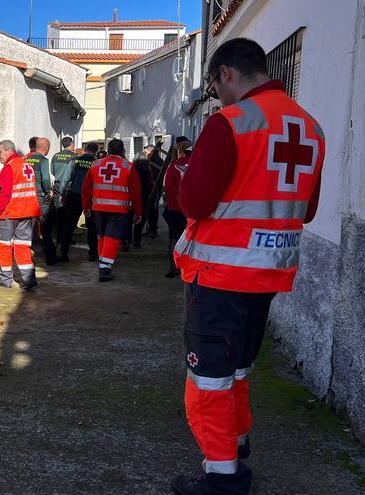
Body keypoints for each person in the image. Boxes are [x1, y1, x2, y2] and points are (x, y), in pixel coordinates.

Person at [171, 38, 325, 495]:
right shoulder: (310, 128)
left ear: (227, 74)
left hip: (220, 274)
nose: (217, 97)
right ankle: (236, 445)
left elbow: (194, 202)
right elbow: (309, 208)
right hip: (268, 274)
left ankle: (223, 478)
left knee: (208, 380)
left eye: (216, 87)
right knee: (237, 369)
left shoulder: (230, 124)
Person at [81, 139, 142, 282]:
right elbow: (136, 192)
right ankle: (104, 269)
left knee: (102, 237)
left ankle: (103, 262)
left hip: (98, 208)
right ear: (122, 151)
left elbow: (86, 188)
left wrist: (86, 207)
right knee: (112, 238)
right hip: (118, 209)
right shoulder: (128, 166)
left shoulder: (95, 164)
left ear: (108, 150)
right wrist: (138, 212)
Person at [0, 139, 42, 289]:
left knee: (3, 246)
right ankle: (29, 279)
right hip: (27, 213)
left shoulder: (9, 168)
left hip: (10, 213)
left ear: (8, 151)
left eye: (0, 152)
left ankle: (5, 280)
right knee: (23, 246)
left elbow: (5, 195)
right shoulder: (26, 165)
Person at [162, 138, 191, 278]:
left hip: (175, 208)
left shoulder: (173, 166)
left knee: (174, 238)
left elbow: (167, 188)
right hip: (192, 209)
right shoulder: (197, 164)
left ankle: (172, 267)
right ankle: (188, 267)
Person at [66, 142, 99, 262]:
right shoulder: (97, 163)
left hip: (75, 195)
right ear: (96, 151)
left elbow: (66, 179)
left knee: (70, 225)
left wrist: (62, 193)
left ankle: (64, 252)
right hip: (91, 198)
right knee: (92, 227)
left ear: (85, 150)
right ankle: (93, 254)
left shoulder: (75, 161)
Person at [25, 137, 55, 264]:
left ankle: (25, 257)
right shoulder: (43, 160)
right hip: (41, 198)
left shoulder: (25, 159)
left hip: (27, 196)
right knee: (46, 228)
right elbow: (46, 180)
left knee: (27, 229)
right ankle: (50, 258)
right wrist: (49, 191)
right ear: (46, 148)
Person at [49, 136, 76, 261]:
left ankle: (58, 239)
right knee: (68, 214)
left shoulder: (55, 156)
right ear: (71, 145)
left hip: (57, 185)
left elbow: (53, 172)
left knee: (57, 213)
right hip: (68, 187)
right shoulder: (74, 157)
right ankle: (66, 239)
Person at [143, 141, 167, 237]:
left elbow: (156, 175)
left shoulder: (158, 161)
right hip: (148, 188)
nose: (146, 153)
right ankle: (150, 228)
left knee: (153, 209)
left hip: (154, 189)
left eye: (147, 152)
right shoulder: (148, 160)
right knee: (149, 210)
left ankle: (153, 229)